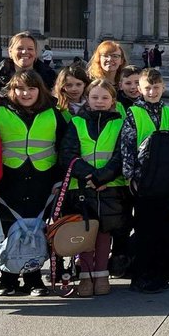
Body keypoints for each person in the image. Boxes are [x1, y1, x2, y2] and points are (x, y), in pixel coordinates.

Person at [120, 68, 169, 293]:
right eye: (148, 88)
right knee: (145, 230)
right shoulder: (133, 112)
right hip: (143, 179)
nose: (152, 91)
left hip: (163, 178)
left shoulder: (168, 112)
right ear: (140, 89)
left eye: (156, 87)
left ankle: (159, 270)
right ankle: (141, 275)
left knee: (160, 227)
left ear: (163, 88)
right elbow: (126, 146)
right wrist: (130, 176)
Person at [0, 69, 65, 296]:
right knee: (8, 232)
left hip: (42, 180)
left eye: (31, 88)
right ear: (11, 90)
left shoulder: (53, 112)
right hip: (8, 180)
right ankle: (8, 277)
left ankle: (34, 277)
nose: (25, 93)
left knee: (35, 231)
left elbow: (63, 147)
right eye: (20, 88)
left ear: (39, 90)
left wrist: (59, 179)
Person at [59, 78, 129, 297]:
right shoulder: (77, 122)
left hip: (110, 186)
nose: (100, 101)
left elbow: (122, 154)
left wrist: (103, 178)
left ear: (113, 101)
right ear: (87, 99)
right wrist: (90, 176)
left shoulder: (121, 123)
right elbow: (68, 154)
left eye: (105, 98)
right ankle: (85, 276)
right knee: (85, 233)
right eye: (95, 97)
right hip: (81, 187)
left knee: (104, 232)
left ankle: (102, 275)